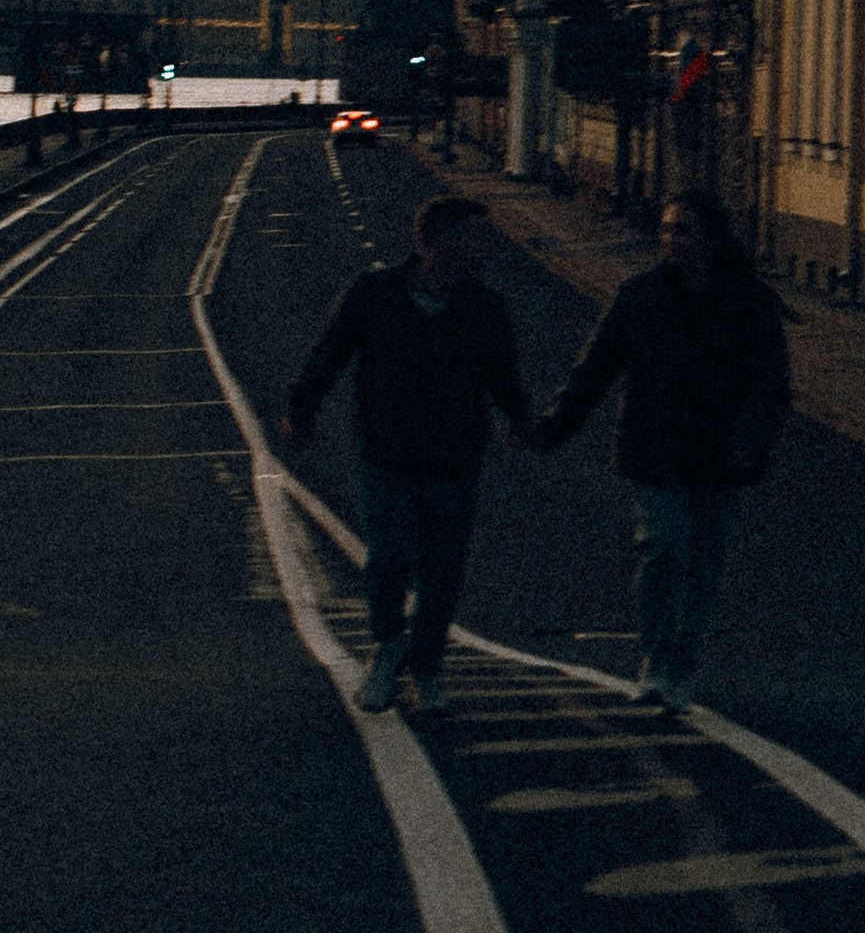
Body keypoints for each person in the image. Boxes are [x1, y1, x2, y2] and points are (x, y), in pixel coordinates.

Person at [532, 190, 789, 706]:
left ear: (713, 238)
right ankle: (655, 657)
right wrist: (554, 427)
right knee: (663, 546)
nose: (674, 240)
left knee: (702, 563)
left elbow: (770, 384)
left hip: (719, 453)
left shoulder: (748, 302)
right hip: (654, 446)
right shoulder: (640, 296)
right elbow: (596, 368)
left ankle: (683, 662)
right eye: (669, 229)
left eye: (685, 229)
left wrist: (749, 440)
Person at [278, 193, 531, 714]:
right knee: (388, 559)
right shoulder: (376, 294)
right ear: (439, 241)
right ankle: (388, 645)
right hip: (387, 452)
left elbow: (503, 372)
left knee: (442, 570)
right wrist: (301, 410)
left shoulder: (483, 307)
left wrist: (522, 422)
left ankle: (427, 667)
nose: (484, 248)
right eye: (474, 237)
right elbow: (332, 351)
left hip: (454, 458)